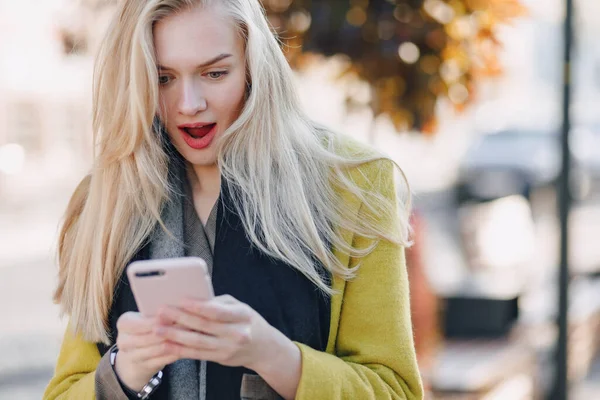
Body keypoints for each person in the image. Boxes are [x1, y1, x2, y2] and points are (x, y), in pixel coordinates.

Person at [43, 0, 423, 399]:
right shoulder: (105, 199)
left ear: (254, 68)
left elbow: (395, 391)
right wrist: (123, 373)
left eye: (215, 73)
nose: (189, 104)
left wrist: (273, 356)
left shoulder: (354, 183)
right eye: (163, 78)